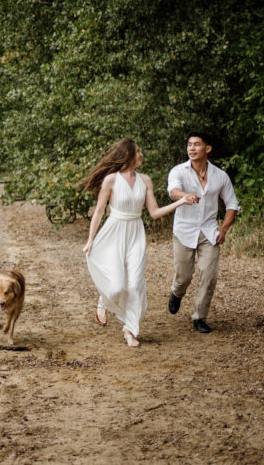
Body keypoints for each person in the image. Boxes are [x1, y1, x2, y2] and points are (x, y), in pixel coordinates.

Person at [82, 139, 194, 347]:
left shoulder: (146, 180)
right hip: (114, 232)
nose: (141, 155)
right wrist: (90, 241)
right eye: (138, 151)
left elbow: (154, 213)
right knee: (116, 286)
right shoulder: (111, 180)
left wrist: (182, 201)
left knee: (135, 284)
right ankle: (103, 301)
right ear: (128, 155)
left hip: (136, 233)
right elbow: (98, 212)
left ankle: (129, 329)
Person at [166, 131, 241, 334]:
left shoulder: (220, 176)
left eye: (197, 144)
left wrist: (223, 229)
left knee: (209, 275)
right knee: (184, 276)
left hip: (209, 232)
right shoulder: (179, 171)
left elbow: (232, 204)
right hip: (184, 230)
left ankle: (200, 317)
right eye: (189, 144)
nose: (191, 148)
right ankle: (176, 293)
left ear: (207, 149)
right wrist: (185, 195)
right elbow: (173, 191)